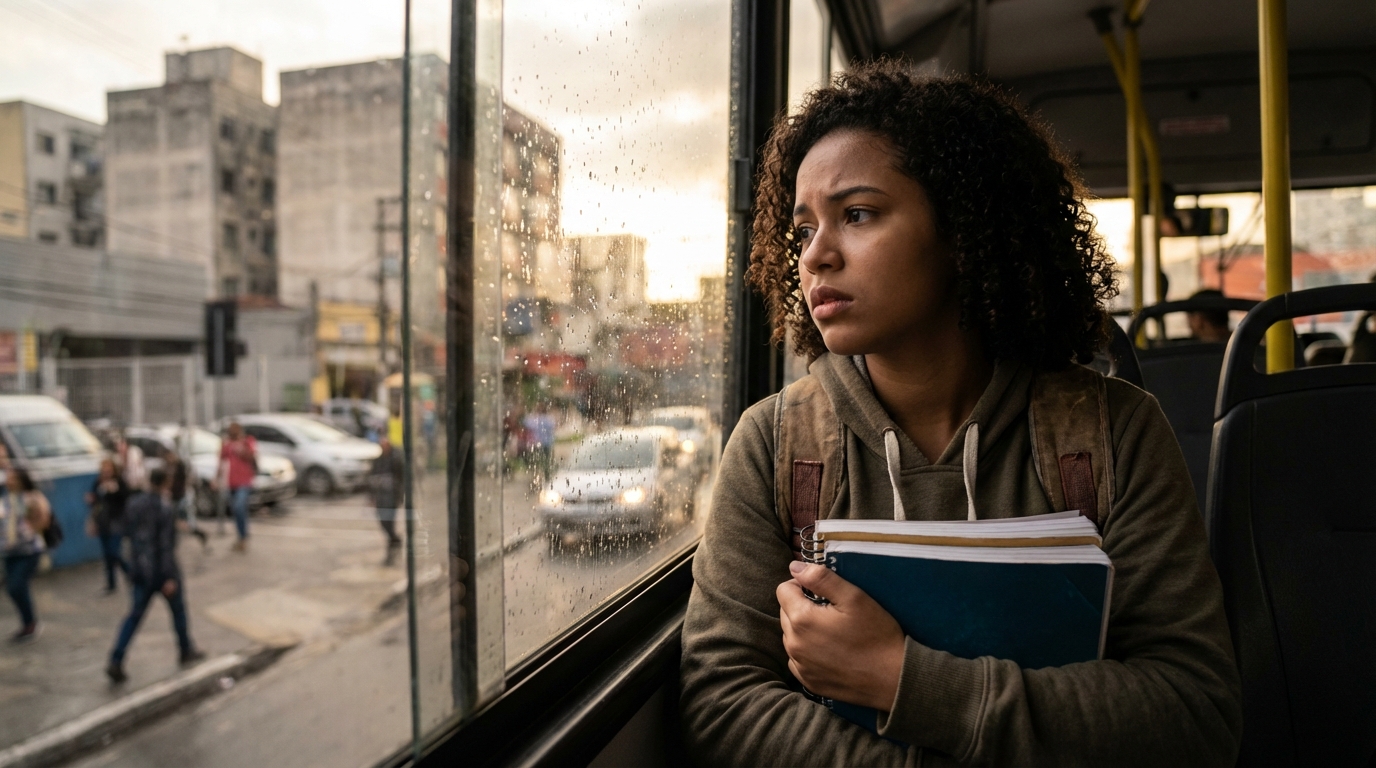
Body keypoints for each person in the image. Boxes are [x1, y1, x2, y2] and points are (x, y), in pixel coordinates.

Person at [679, 64, 1242, 766]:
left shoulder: (1112, 434)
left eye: (858, 214)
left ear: (962, 229)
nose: (817, 256)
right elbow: (723, 701)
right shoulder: (775, 444)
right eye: (801, 233)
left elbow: (1196, 712)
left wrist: (901, 680)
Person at [105, 468, 204, 683]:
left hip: (140, 570)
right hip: (161, 570)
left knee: (134, 616)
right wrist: (168, 576)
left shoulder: (134, 504)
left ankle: (116, 658)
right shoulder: (163, 508)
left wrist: (130, 567)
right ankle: (185, 649)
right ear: (166, 483)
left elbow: (125, 534)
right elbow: (164, 545)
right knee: (178, 611)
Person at [1, 463, 51, 642]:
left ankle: (30, 624)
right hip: (9, 551)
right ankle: (28, 623)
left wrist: (31, 529)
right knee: (14, 589)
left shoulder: (31, 497)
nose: (9, 480)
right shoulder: (5, 499)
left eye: (12, 477)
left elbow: (45, 518)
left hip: (29, 550)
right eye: (8, 477)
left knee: (16, 585)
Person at [85, 458, 130, 593]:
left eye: (109, 470)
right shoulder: (98, 483)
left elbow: (126, 499)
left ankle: (131, 573)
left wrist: (115, 491)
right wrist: (91, 502)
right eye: (104, 470)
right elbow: (95, 503)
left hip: (116, 521)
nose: (106, 473)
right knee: (107, 555)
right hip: (102, 522)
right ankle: (111, 584)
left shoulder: (119, 483)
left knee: (114, 551)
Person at [218, 421, 257, 553]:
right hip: (231, 482)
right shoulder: (226, 443)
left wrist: (240, 447)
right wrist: (216, 478)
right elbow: (221, 460)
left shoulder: (248, 441)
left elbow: (251, 457)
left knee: (239, 507)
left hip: (244, 482)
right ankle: (241, 537)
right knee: (237, 511)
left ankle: (243, 536)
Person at [368, 437, 405, 565]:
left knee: (389, 522)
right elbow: (371, 480)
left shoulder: (395, 461)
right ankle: (394, 540)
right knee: (383, 522)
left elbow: (401, 479)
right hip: (380, 497)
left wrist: (400, 496)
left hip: (391, 497)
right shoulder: (378, 462)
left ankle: (393, 542)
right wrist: (372, 498)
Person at [163, 447, 208, 552]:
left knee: (181, 522)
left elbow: (184, 482)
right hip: (174, 497)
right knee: (175, 522)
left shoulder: (180, 466)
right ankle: (197, 534)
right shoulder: (168, 467)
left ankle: (199, 533)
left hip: (181, 497)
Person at [522, 404, 556, 484]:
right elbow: (553, 427)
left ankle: (536, 478)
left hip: (537, 443)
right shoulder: (549, 420)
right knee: (547, 461)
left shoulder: (534, 420)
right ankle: (547, 476)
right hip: (547, 443)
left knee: (536, 462)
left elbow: (525, 422)